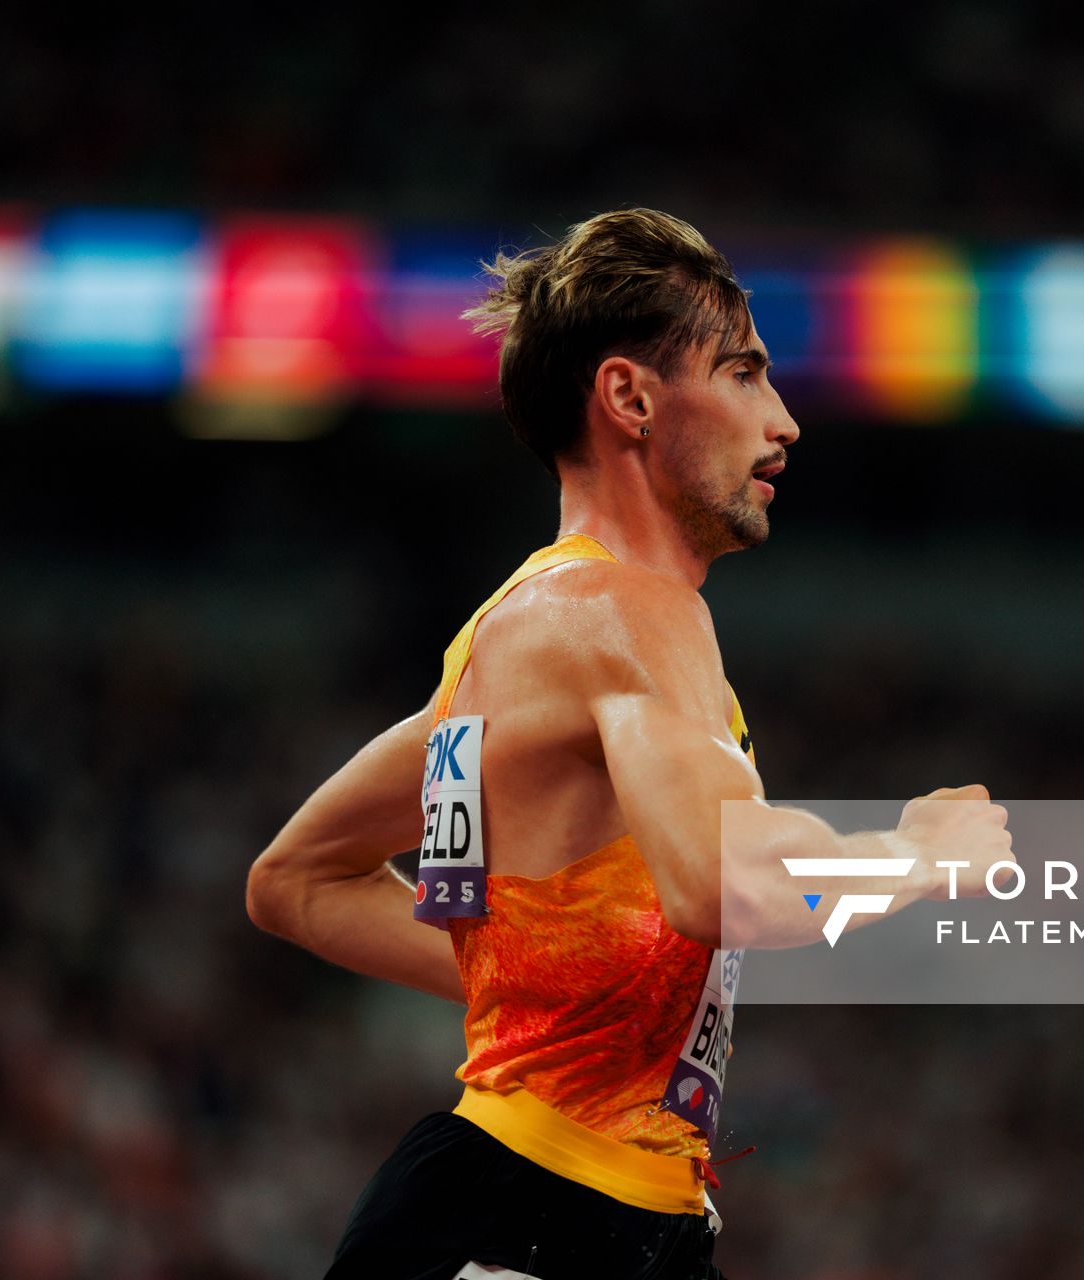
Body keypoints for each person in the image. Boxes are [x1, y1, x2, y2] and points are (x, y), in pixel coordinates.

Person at [245, 208, 1014, 1280]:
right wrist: (924, 854)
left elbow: (294, 880)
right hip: (534, 1212)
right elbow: (721, 883)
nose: (784, 420)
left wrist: (543, 984)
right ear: (631, 397)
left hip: (566, 1207)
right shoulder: (627, 614)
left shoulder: (500, 647)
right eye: (745, 374)